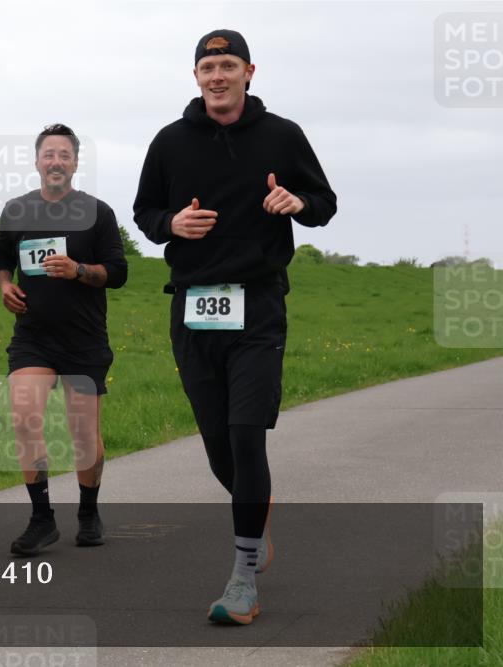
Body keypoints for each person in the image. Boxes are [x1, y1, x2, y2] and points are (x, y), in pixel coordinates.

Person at [133, 30, 336, 624]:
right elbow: (145, 213)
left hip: (258, 306)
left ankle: (243, 576)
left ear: (249, 71)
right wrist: (174, 222)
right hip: (193, 308)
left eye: (227, 65)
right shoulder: (169, 142)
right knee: (220, 446)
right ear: (195, 76)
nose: (216, 75)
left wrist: (297, 204)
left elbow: (324, 202)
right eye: (206, 66)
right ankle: (256, 515)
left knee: (247, 435)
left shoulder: (283, 136)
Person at [0, 124, 128, 556]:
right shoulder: (17, 211)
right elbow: (0, 257)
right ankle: (41, 518)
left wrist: (79, 271)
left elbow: (118, 272)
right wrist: (5, 285)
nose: (56, 162)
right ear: (36, 162)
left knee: (83, 435)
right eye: (48, 154)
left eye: (64, 155)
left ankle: (88, 512)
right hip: (33, 336)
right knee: (23, 416)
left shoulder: (97, 213)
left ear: (75, 162)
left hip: (84, 339)